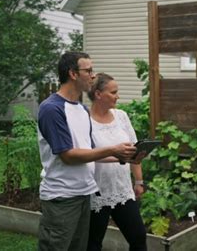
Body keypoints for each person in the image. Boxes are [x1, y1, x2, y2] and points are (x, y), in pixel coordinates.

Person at [37, 52, 138, 251]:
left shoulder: (82, 110)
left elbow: (90, 152)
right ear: (73, 74)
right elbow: (68, 156)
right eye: (88, 70)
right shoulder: (52, 109)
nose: (93, 75)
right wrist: (112, 149)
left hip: (85, 194)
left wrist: (123, 155)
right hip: (61, 197)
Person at [87, 73, 147, 251]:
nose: (118, 96)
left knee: (138, 237)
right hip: (96, 192)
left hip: (122, 190)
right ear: (98, 94)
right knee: (93, 243)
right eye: (113, 92)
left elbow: (134, 151)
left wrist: (139, 181)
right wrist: (117, 154)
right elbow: (85, 154)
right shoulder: (85, 121)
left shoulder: (121, 116)